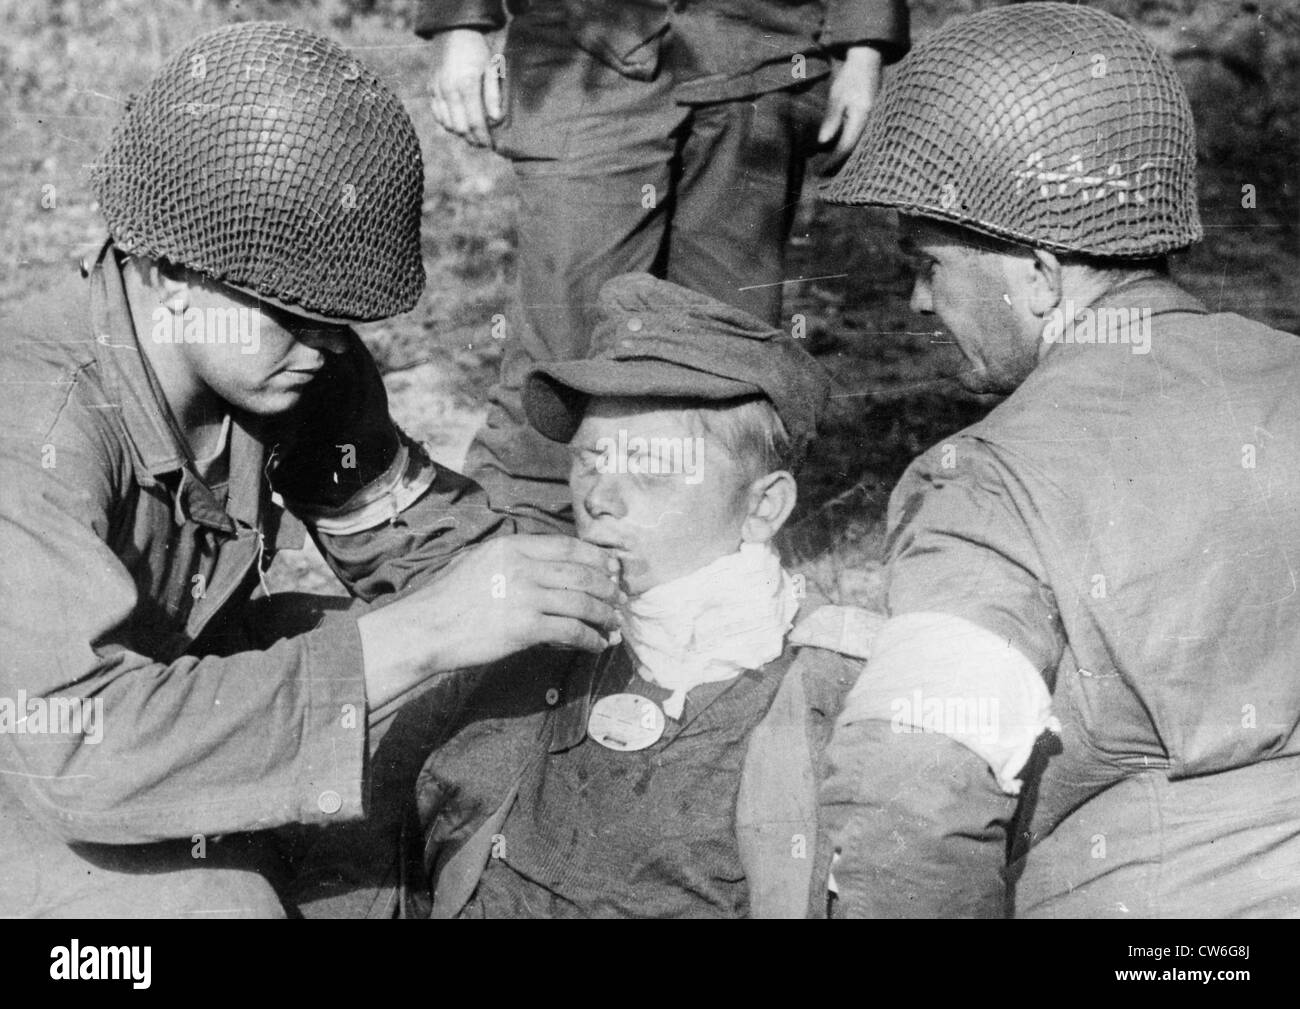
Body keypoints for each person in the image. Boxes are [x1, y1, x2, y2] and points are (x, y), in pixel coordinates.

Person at [0, 21, 622, 919]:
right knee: (217, 912)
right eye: (297, 311)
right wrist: (420, 635)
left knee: (477, 702)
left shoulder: (280, 359)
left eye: (339, 316)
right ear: (174, 270)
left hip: (149, 708)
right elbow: (75, 745)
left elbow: (413, 535)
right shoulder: (32, 428)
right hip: (44, 759)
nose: (328, 344)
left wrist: (567, 596)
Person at [817, 1, 1300, 918]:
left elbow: (910, 805)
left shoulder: (991, 483)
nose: (920, 303)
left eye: (929, 263)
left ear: (1038, 274)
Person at [416, 274, 881, 918]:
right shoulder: (534, 643)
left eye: (653, 465)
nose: (599, 498)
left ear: (763, 507)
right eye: (590, 459)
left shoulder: (828, 700)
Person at [415, 0, 910, 531]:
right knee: (560, 345)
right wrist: (460, 24)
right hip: (580, 55)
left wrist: (864, 50)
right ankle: (526, 556)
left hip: (760, 57)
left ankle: (702, 564)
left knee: (723, 352)